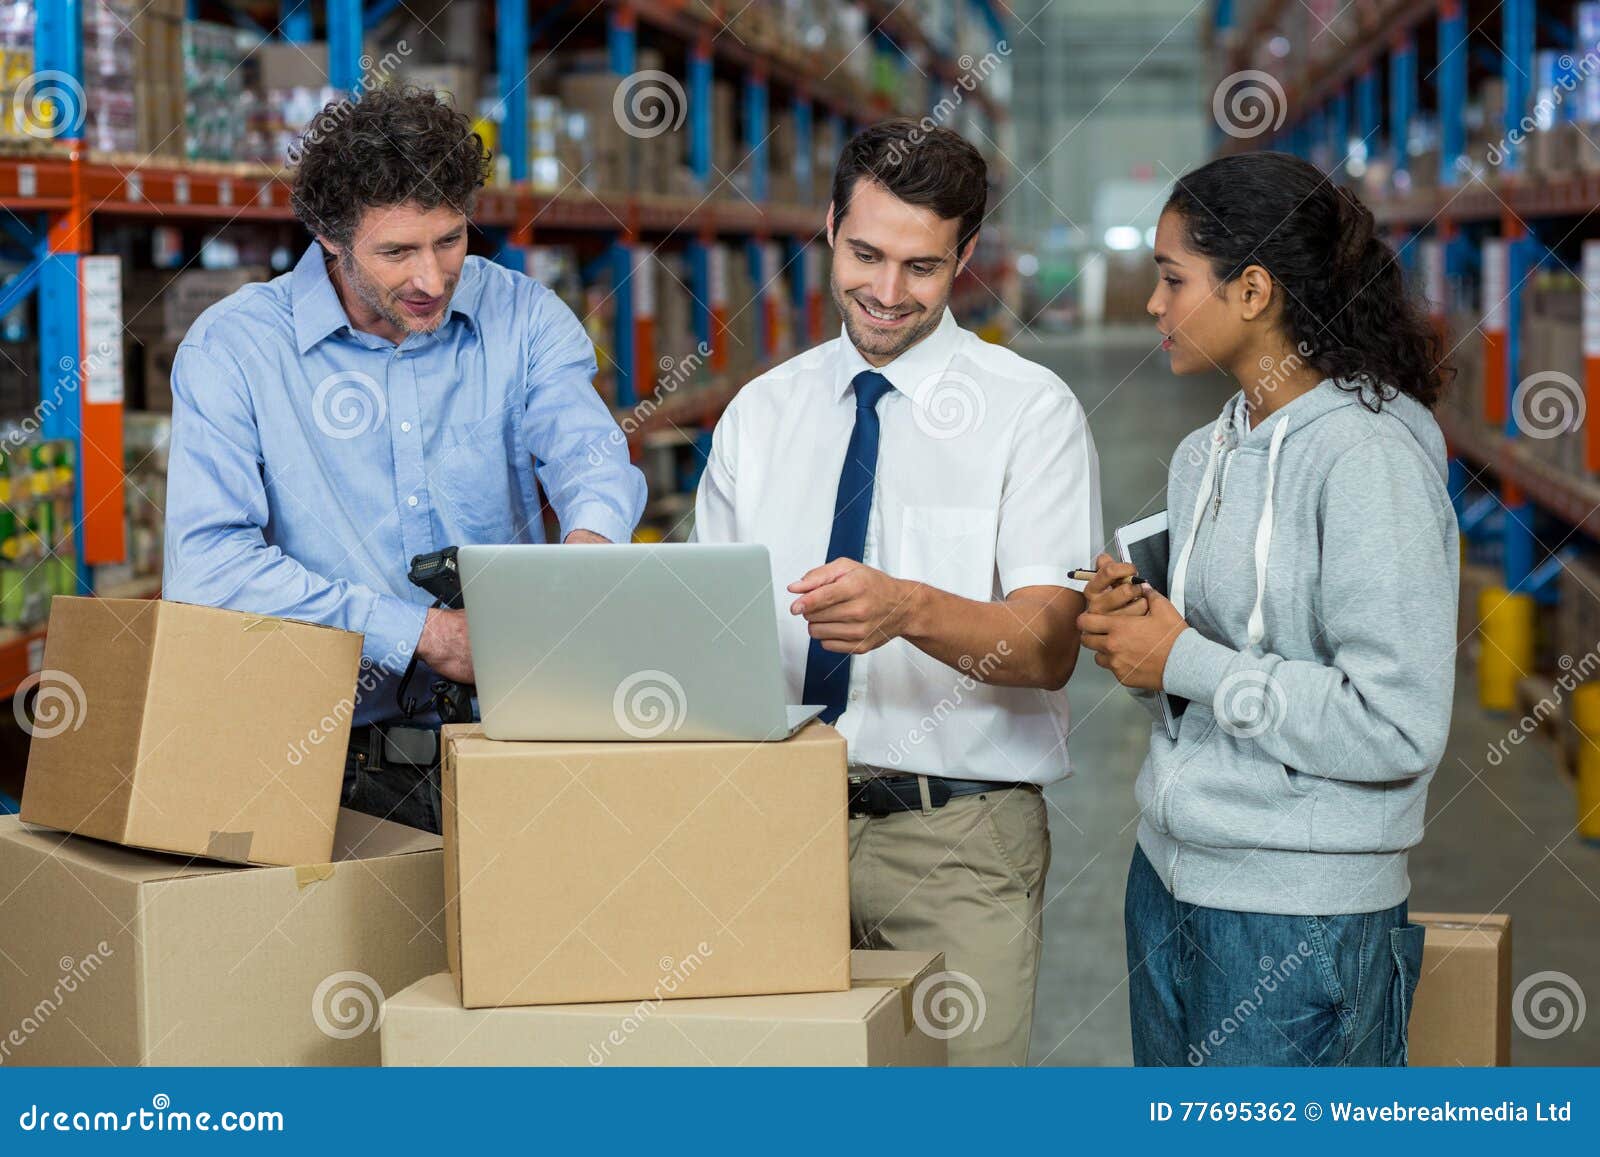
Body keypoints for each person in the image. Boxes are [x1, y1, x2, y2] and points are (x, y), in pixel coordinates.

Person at [692, 118, 1102, 1066]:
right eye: (865, 254)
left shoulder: (1028, 412)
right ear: (831, 227)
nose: (885, 292)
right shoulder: (762, 412)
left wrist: (909, 608)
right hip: (779, 827)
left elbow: (1047, 646)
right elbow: (712, 632)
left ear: (963, 258)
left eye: (920, 267)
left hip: (957, 837)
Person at [163, 88, 646, 834]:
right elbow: (208, 569)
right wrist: (420, 633)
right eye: (396, 252)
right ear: (329, 236)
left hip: (512, 744)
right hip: (325, 767)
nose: (431, 279)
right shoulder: (235, 350)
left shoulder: (522, 314)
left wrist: (584, 553)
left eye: (450, 240)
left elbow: (590, 455)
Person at [1078, 151, 1457, 1066]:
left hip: (1299, 918)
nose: (1153, 304)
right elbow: (1205, 686)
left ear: (1253, 290)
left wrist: (1185, 660)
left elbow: (1398, 725)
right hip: (1168, 880)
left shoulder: (1367, 460)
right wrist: (1141, 647)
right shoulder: (1203, 453)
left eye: (1174, 280)